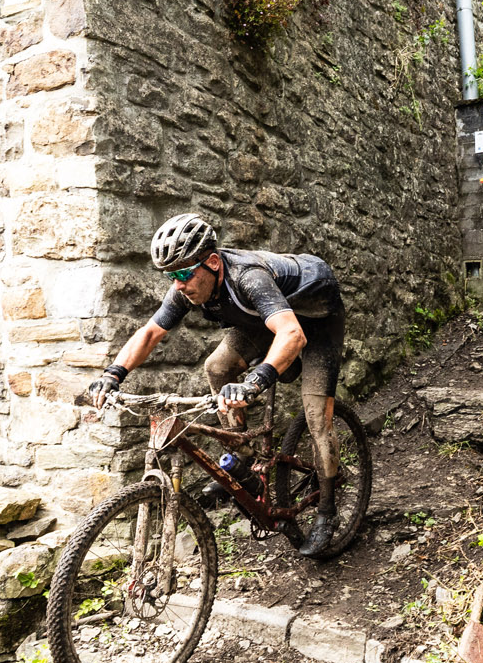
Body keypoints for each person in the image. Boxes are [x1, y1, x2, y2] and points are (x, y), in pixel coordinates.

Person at [86, 213, 349, 558]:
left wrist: (255, 381)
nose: (177, 284)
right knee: (217, 367)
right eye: (170, 276)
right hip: (263, 319)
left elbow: (292, 333)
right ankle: (243, 460)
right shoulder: (187, 287)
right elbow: (150, 333)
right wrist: (113, 374)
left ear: (212, 262)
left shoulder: (248, 278)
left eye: (183, 274)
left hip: (315, 321)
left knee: (316, 416)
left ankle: (327, 512)